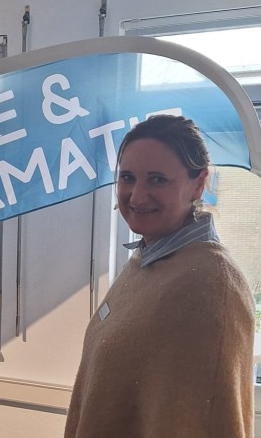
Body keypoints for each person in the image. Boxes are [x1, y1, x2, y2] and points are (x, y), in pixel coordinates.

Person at [64, 115, 255, 438]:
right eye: (127, 177)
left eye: (157, 180)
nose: (137, 196)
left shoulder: (210, 286)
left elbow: (209, 422)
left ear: (198, 184)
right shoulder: (146, 261)